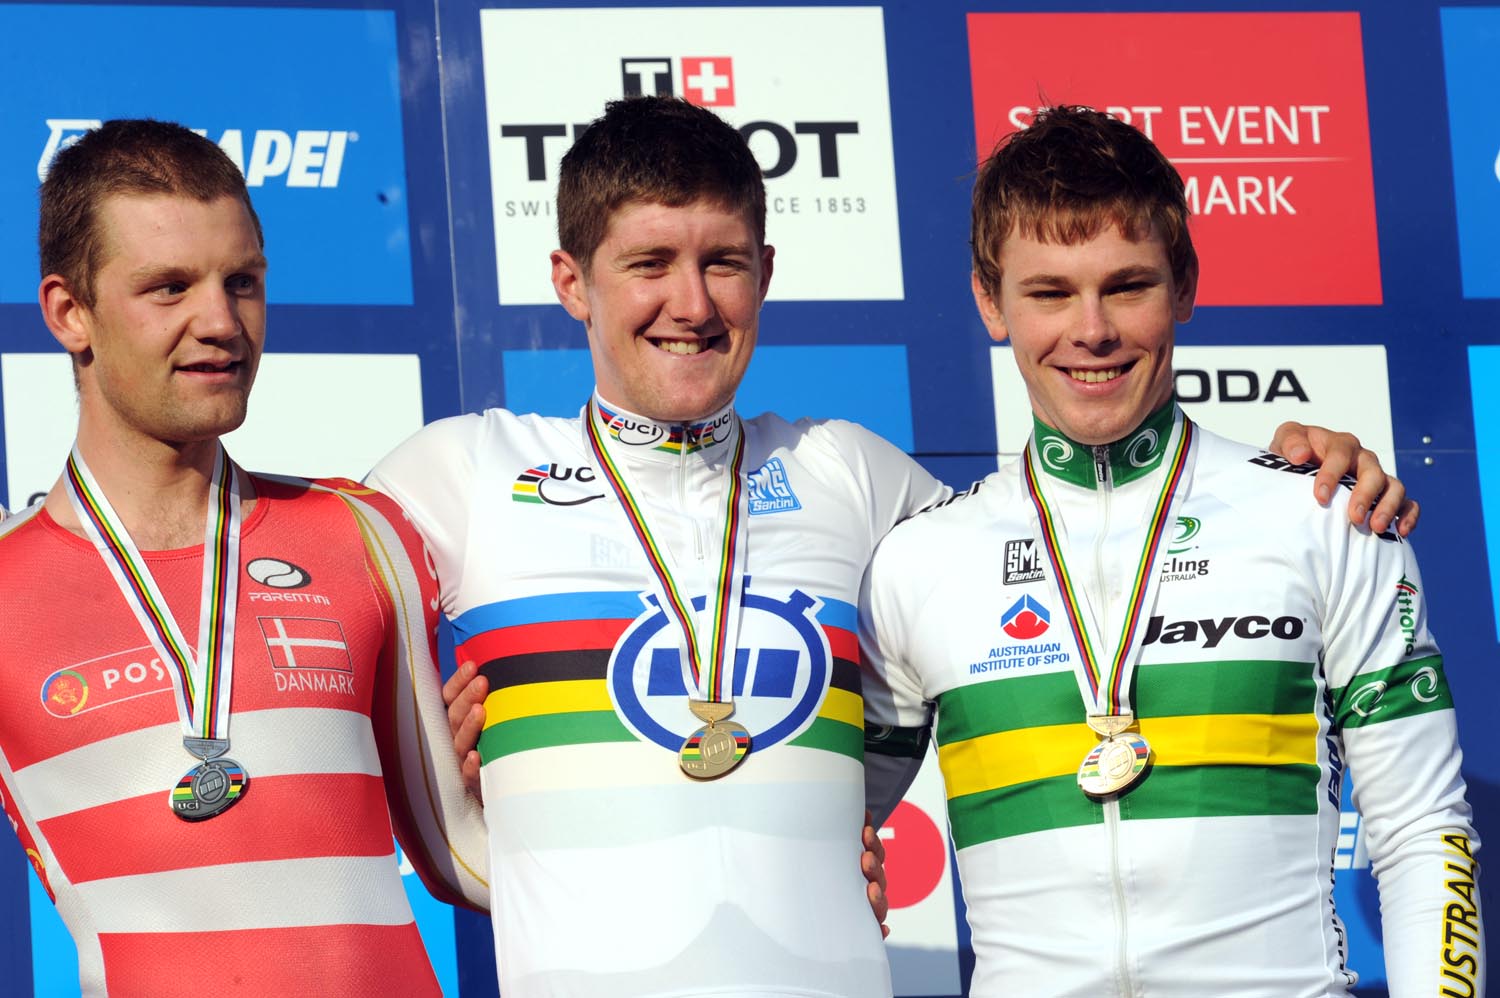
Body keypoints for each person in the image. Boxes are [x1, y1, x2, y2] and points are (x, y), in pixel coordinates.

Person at [373, 96, 1410, 998]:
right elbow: (285, 578)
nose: (690, 304)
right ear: (571, 280)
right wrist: (444, 791)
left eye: (722, 262)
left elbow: (1072, 535)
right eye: (650, 264)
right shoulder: (466, 471)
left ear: (764, 272)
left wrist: (1294, 471)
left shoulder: (850, 475)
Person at [859, 105, 1482, 997]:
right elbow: (810, 836)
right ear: (990, 304)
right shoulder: (919, 562)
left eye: (1127, 286)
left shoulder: (1321, 515)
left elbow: (1428, 836)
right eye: (1049, 293)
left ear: (1184, 285)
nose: (1092, 330)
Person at [0, 119, 489, 996]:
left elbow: (469, 857)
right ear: (71, 312)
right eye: (169, 287)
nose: (221, 322)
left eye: (243, 282)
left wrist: (543, 781)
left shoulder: (362, 532)